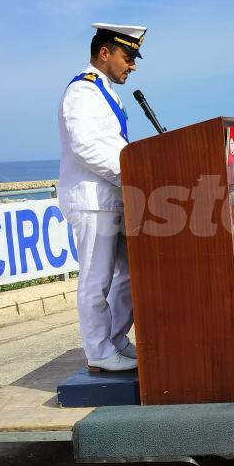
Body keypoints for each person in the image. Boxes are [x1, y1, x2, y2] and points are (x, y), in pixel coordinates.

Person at [58, 22, 146, 372]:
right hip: (92, 199)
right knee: (96, 279)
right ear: (104, 53)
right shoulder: (82, 91)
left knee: (129, 275)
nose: (133, 65)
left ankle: (116, 338)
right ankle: (98, 350)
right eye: (129, 56)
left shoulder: (108, 91)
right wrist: (131, 174)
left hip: (113, 197)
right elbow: (86, 147)